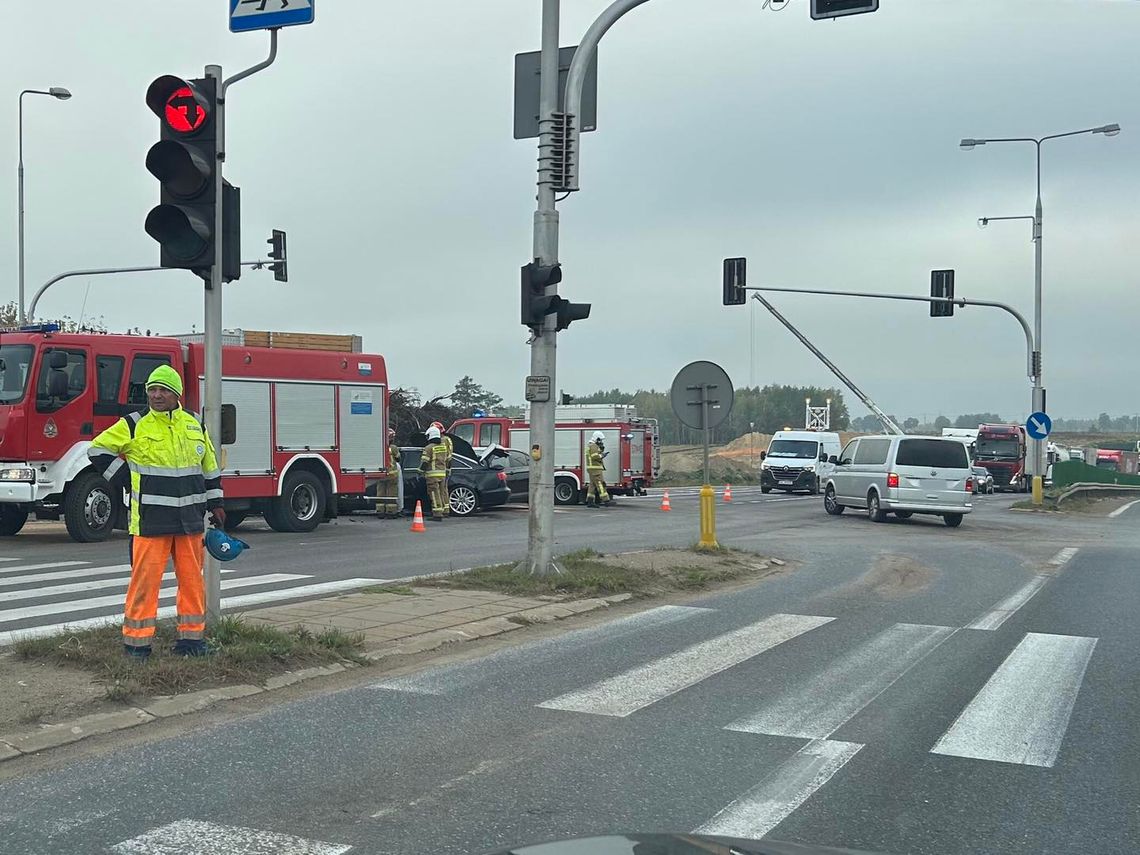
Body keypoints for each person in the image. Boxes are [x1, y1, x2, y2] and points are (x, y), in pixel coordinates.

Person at [86, 365, 224, 659]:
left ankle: (191, 642)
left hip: (189, 521)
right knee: (145, 584)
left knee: (192, 584)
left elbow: (209, 467)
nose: (156, 395)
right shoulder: (134, 424)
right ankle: (137, 645)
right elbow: (97, 450)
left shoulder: (194, 424)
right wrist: (122, 477)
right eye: (152, 389)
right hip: (150, 520)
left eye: (163, 390)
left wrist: (217, 503)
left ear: (177, 394)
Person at [420, 425, 449, 520]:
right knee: (441, 493)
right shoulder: (443, 446)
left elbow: (424, 462)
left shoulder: (429, 448)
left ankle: (437, 514)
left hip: (432, 475)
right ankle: (443, 511)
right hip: (442, 474)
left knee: (434, 493)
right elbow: (448, 459)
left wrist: (420, 471)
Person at [585, 431, 612, 508]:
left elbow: (594, 455)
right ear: (597, 438)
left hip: (592, 469)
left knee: (592, 485)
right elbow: (595, 456)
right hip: (595, 469)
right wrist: (602, 455)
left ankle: (590, 501)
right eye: (600, 440)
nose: (601, 441)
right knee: (600, 484)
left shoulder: (591, 445)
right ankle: (606, 501)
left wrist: (601, 449)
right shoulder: (593, 446)